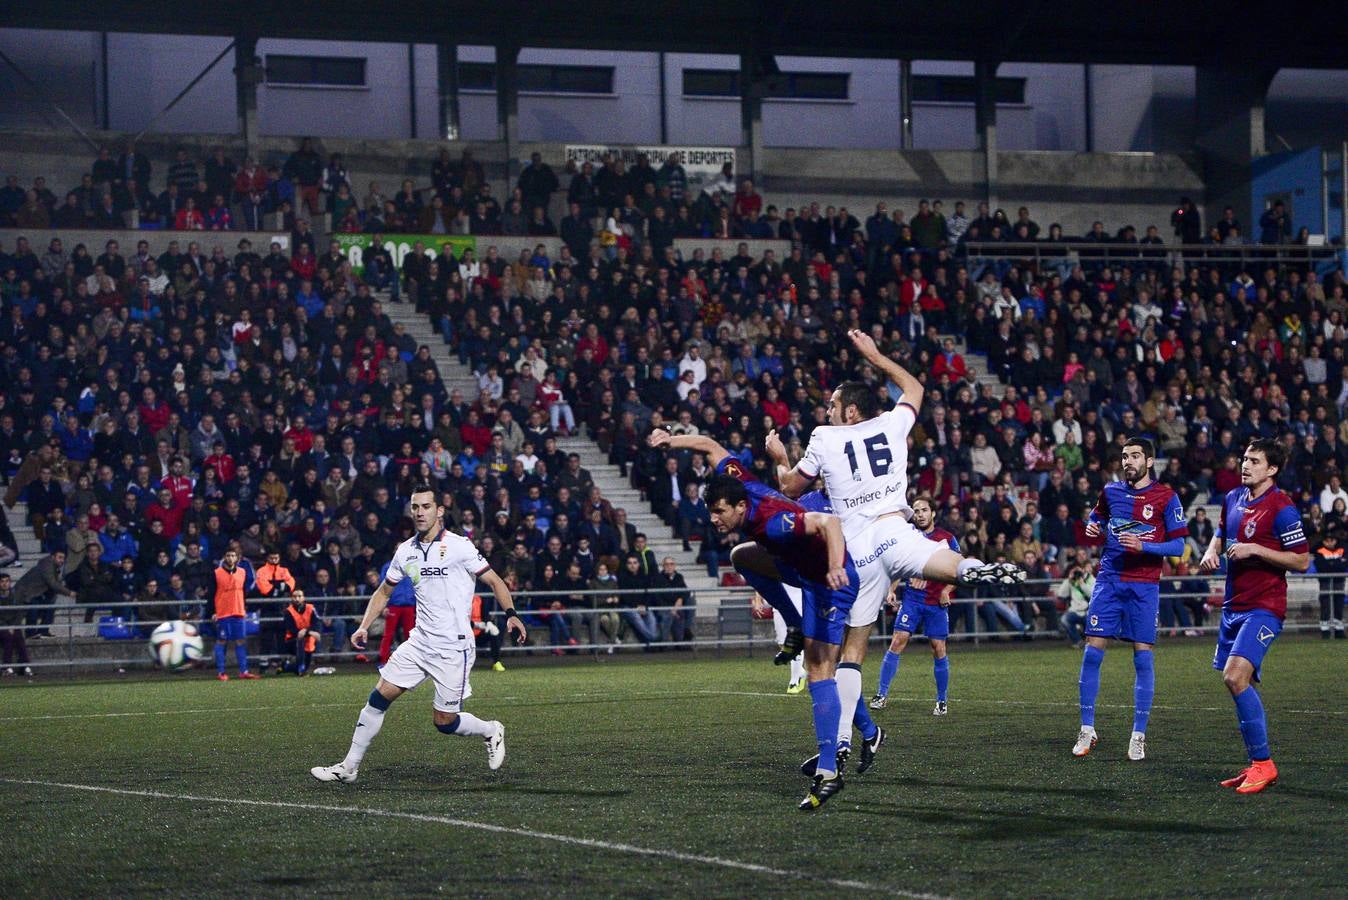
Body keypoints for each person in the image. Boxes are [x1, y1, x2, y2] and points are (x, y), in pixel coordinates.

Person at [766, 329, 1021, 774]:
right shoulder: (891, 423)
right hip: (896, 529)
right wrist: (877, 356)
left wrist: (777, 456)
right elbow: (916, 388)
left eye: (831, 404)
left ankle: (840, 743)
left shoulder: (824, 436)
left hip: (857, 549)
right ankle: (975, 568)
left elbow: (789, 488)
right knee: (938, 560)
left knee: (848, 654)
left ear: (848, 410)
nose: (825, 410)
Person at [647, 430, 860, 811]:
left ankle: (829, 769)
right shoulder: (737, 480)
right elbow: (710, 446)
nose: (713, 519)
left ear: (741, 508)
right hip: (804, 573)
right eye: (710, 511)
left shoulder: (776, 523)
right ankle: (793, 624)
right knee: (742, 557)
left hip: (831, 580)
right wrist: (671, 440)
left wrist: (832, 568)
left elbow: (830, 524)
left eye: (720, 512)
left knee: (820, 670)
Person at [311, 485, 527, 784]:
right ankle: (349, 768)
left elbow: (495, 581)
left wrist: (512, 615)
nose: (420, 512)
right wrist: (363, 625)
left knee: (444, 722)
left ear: (439, 510)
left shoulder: (460, 546)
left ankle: (491, 729)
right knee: (377, 698)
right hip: (419, 642)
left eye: (426, 506)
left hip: (453, 648)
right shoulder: (406, 550)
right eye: (415, 507)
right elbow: (384, 591)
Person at [1198, 439, 1310, 794]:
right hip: (1234, 606)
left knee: (1234, 678)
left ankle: (1265, 764)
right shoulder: (1233, 498)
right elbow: (1221, 531)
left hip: (1265, 607)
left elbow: (1302, 560)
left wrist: (1255, 549)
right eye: (1244, 459)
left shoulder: (1282, 508)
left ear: (1272, 469)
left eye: (1255, 461)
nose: (1245, 465)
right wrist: (1211, 549)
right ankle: (1256, 762)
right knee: (1234, 683)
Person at [1073, 437, 1187, 761]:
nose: (1128, 462)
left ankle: (1138, 735)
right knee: (1092, 653)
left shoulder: (1166, 497)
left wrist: (1145, 547)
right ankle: (1086, 729)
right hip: (1109, 580)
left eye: (1135, 456)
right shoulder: (1110, 491)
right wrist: (1093, 527)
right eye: (1125, 456)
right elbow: (1096, 518)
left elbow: (1178, 547)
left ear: (1149, 461)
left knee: (1142, 658)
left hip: (1145, 585)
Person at [870, 497, 957, 715]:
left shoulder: (946, 539)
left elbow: (958, 569)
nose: (919, 514)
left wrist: (946, 591)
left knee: (938, 648)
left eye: (924, 510)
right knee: (897, 641)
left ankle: (942, 700)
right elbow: (898, 564)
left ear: (933, 513)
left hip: (936, 602)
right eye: (916, 511)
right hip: (913, 600)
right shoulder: (907, 536)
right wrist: (891, 590)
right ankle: (881, 694)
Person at [211, 549, 259, 680]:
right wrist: (213, 611)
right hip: (222, 612)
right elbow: (211, 594)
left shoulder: (243, 572)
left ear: (237, 558)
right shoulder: (216, 573)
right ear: (224, 557)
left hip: (238, 611)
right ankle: (221, 672)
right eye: (228, 555)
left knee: (240, 641)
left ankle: (244, 671)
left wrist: (244, 607)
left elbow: (244, 591)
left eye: (233, 556)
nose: (230, 558)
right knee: (221, 641)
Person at [14, 550, 73, 639]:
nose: (62, 560)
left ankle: (43, 631)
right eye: (59, 557)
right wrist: (69, 593)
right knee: (33, 608)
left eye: (63, 558)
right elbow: (52, 583)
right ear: (53, 557)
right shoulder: (47, 565)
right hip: (26, 593)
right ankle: (30, 634)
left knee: (50, 608)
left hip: (36, 594)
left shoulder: (54, 567)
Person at [378, 558, 416, 665]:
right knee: (389, 634)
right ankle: (383, 660)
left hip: (409, 604)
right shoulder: (388, 566)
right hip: (394, 604)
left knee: (411, 635)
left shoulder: (413, 565)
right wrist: (385, 604)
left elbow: (418, 582)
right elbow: (383, 586)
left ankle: (412, 661)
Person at [0, 572, 33, 677]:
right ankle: (7, 667)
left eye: (7, 581)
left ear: (10, 582)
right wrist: (7, 626)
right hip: (2, 626)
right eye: (2, 581)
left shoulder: (15, 595)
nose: (5, 584)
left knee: (19, 637)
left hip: (13, 625)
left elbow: (20, 612)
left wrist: (13, 626)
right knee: (8, 637)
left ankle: (26, 666)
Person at [1314, 530, 1345, 639]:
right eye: (1327, 540)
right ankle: (1325, 630)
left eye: (1332, 540)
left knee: (1339, 605)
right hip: (1325, 582)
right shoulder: (1320, 551)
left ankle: (1339, 629)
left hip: (1339, 582)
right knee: (1325, 605)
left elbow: (1342, 566)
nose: (1330, 542)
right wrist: (1335, 564)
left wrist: (1331, 565)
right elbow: (1321, 567)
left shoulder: (1342, 550)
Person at [282, 589, 320, 675]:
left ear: (303, 598)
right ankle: (300, 668)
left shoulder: (311, 608)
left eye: (299, 596)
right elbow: (291, 629)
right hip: (292, 640)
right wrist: (308, 632)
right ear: (291, 598)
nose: (297, 599)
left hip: (307, 638)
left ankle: (286, 667)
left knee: (307, 664)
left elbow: (316, 623)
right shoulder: (288, 611)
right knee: (300, 640)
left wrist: (306, 631)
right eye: (295, 597)